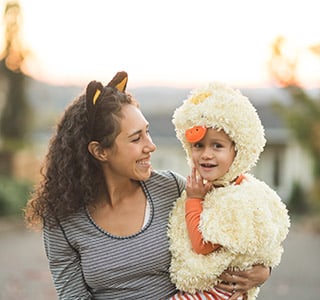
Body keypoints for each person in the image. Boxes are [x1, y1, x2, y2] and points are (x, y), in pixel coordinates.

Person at [24, 72, 271, 300]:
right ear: (100, 151)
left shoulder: (173, 189)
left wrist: (263, 269)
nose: (150, 146)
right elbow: (73, 296)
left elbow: (237, 229)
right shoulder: (62, 219)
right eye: (136, 138)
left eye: (147, 132)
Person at [168, 82, 290, 300]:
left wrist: (194, 200)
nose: (206, 154)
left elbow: (202, 245)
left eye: (217, 146)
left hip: (220, 290)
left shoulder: (236, 198)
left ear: (237, 150)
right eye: (198, 146)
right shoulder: (216, 188)